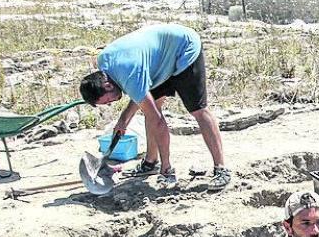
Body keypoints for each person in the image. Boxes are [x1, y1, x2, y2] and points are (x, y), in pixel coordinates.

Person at [79, 22, 230, 190]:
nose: (111, 103)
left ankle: (220, 169)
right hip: (158, 61)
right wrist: (123, 120)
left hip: (183, 49)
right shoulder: (104, 65)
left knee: (198, 110)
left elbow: (157, 120)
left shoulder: (128, 74)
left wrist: (167, 169)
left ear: (107, 86)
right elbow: (139, 94)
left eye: (107, 101)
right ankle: (151, 162)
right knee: (151, 109)